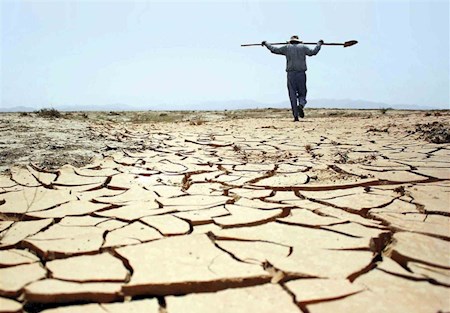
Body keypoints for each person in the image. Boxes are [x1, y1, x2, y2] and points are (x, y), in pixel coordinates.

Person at [262, 35, 323, 121]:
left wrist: (266, 43)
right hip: (301, 73)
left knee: (292, 95)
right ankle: (301, 105)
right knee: (302, 93)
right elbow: (313, 52)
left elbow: (274, 49)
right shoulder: (303, 47)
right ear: (298, 41)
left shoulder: (287, 48)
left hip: (291, 74)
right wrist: (319, 44)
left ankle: (295, 116)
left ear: (290, 41)